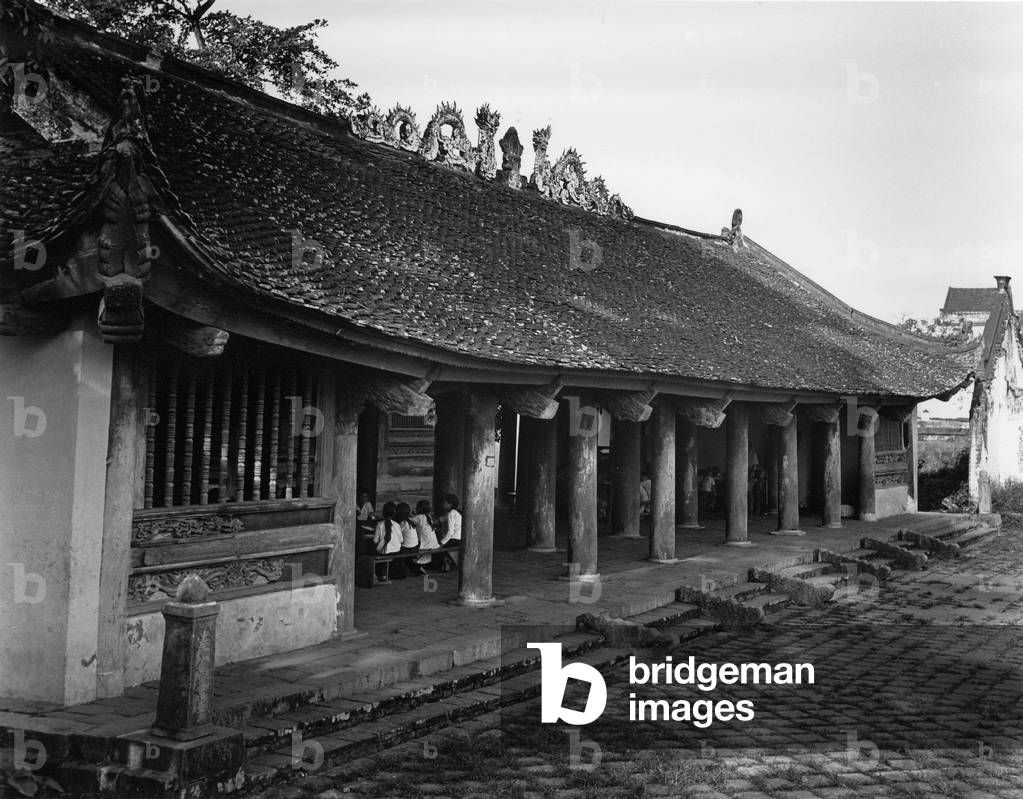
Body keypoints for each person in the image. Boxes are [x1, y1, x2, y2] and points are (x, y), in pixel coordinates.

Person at [372, 501, 402, 583]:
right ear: (394, 513)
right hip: (396, 552)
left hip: (384, 553)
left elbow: (375, 541)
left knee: (372, 549)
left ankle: (380, 574)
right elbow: (401, 540)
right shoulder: (397, 525)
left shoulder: (379, 524)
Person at [411, 500, 440, 567]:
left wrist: (411, 515)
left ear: (419, 508)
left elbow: (409, 521)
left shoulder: (418, 517)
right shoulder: (428, 516)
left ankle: (419, 565)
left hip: (425, 545)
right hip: (434, 544)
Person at [438, 493, 462, 572]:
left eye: (444, 502)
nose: (442, 504)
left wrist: (442, 543)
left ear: (450, 504)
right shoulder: (457, 512)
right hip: (460, 538)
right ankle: (449, 563)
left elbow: (450, 532)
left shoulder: (451, 514)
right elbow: (443, 518)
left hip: (454, 539)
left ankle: (446, 565)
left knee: (440, 549)